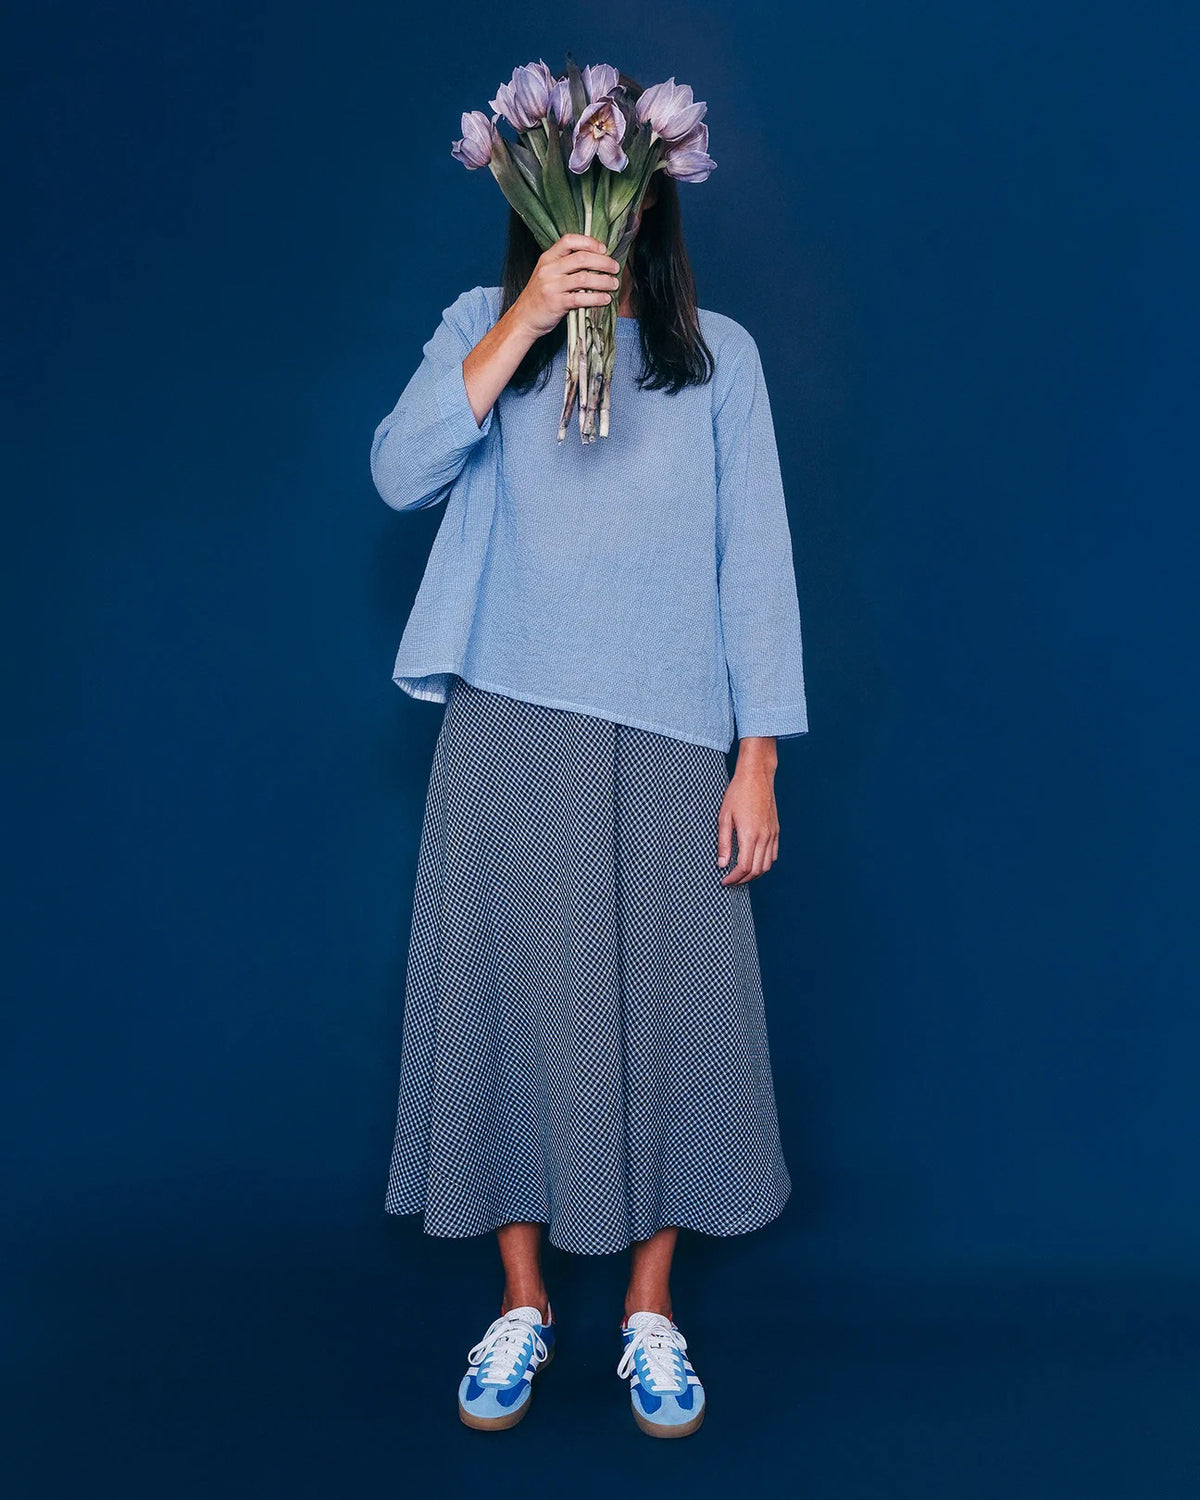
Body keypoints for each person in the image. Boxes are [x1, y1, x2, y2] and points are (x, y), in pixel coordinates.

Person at [369, 84, 809, 1441]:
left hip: (675, 738)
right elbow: (396, 472)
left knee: (672, 1023)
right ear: (536, 204)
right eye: (573, 194)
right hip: (508, 723)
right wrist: (520, 319)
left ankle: (648, 1309)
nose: (602, 214)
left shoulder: (717, 359)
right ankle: (521, 1302)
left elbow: (759, 574)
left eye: (623, 192)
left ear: (651, 202)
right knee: (507, 1009)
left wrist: (759, 762)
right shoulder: (477, 331)